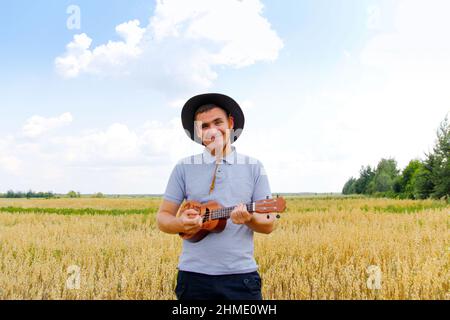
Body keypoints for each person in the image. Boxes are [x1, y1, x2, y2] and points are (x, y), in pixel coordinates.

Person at [156, 93, 278, 300]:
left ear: (230, 123)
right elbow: (163, 218)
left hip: (241, 279)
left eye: (218, 122)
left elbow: (269, 224)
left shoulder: (254, 167)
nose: (212, 130)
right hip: (193, 278)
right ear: (197, 132)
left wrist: (249, 219)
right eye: (204, 126)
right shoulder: (183, 167)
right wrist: (181, 224)